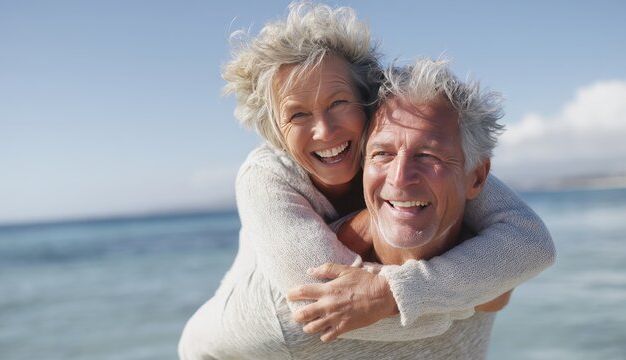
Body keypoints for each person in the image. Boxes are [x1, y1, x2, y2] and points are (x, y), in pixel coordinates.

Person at [178, 3, 555, 359]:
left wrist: (396, 291)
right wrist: (472, 294)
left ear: (367, 102)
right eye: (297, 115)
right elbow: (332, 308)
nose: (325, 130)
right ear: (273, 131)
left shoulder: (399, 149)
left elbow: (530, 241)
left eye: (339, 102)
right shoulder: (265, 177)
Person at [284, 58, 523, 358]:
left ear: (476, 177)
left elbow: (499, 292)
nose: (399, 178)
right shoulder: (317, 272)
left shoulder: (489, 266)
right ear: (362, 165)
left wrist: (391, 293)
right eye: (382, 153)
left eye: (427, 155)